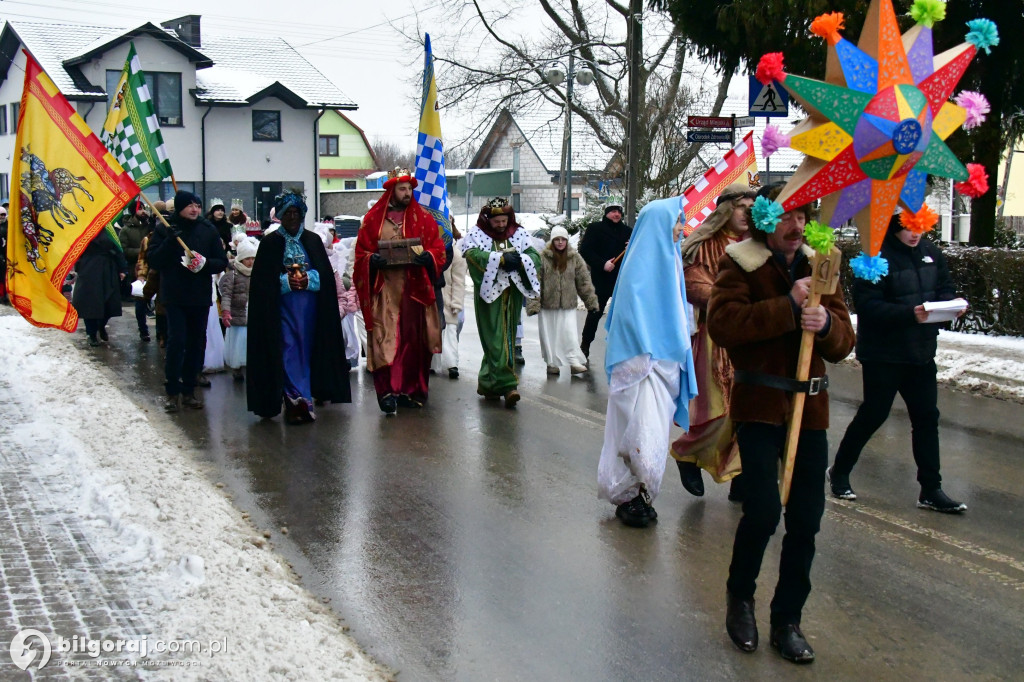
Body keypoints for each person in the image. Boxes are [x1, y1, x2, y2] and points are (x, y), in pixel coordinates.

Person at [707, 183, 854, 664]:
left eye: (803, 216)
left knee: (806, 520)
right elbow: (724, 325)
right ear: (767, 221)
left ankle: (787, 620)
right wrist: (788, 306)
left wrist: (826, 327)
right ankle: (740, 598)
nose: (795, 226)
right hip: (761, 406)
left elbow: (843, 339)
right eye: (786, 216)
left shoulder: (821, 264)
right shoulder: (739, 263)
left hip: (809, 412)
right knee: (764, 512)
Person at [828, 213, 967, 513]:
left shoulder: (931, 253)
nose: (915, 234)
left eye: (920, 228)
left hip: (921, 351)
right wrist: (909, 314)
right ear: (893, 226)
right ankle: (839, 472)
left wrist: (951, 305)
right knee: (874, 414)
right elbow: (867, 305)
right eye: (907, 229)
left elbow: (944, 286)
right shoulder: (874, 257)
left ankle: (931, 489)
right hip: (884, 354)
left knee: (927, 418)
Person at [597, 198, 698, 527]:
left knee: (653, 433)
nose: (681, 228)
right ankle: (629, 493)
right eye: (677, 221)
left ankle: (642, 494)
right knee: (636, 431)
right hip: (639, 366)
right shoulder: (639, 266)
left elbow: (680, 313)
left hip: (666, 365)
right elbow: (627, 317)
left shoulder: (672, 262)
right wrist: (646, 351)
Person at [671, 183, 755, 500]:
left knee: (747, 411)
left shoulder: (759, 245)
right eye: (740, 206)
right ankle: (686, 453)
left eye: (751, 207)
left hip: (750, 338)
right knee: (718, 410)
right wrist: (734, 303)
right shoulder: (704, 244)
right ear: (724, 210)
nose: (747, 213)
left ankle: (739, 475)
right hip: (713, 336)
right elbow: (694, 284)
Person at [247, 191, 351, 424]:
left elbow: (324, 274)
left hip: (311, 309)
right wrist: (285, 282)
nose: (293, 218)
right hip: (281, 309)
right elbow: (262, 282)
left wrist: (308, 279)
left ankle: (303, 397)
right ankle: (297, 400)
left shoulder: (313, 240)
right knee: (288, 348)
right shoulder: (270, 243)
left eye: (296, 213)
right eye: (288, 214)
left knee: (307, 350)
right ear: (281, 217)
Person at [353, 169, 446, 415]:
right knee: (385, 338)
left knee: (413, 340)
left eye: (410, 188)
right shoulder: (373, 219)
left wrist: (430, 257)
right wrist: (371, 261)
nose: (407, 193)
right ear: (392, 190)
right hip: (385, 290)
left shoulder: (423, 218)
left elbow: (438, 247)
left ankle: (410, 389)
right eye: (402, 189)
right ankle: (387, 392)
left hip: (414, 290)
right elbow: (361, 253)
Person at [146, 190, 228, 412]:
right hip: (174, 295)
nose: (195, 209)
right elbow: (153, 259)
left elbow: (221, 261)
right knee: (177, 341)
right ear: (180, 207)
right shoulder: (165, 228)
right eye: (190, 205)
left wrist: (205, 264)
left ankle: (189, 389)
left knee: (196, 342)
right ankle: (172, 390)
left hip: (199, 295)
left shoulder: (207, 229)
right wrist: (170, 242)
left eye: (198, 205)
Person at [463, 197, 541, 407]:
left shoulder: (519, 232)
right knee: (494, 339)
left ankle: (491, 383)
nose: (500, 225)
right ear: (489, 219)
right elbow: (470, 254)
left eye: (504, 220)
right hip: (490, 294)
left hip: (512, 293)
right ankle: (508, 385)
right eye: (496, 221)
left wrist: (522, 260)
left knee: (507, 336)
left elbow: (534, 255)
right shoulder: (477, 233)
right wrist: (499, 259)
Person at [527, 225, 599, 375]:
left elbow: (583, 281)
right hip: (548, 304)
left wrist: (590, 301)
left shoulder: (575, 258)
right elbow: (535, 282)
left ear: (567, 241)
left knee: (569, 333)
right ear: (552, 241)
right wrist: (534, 303)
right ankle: (551, 362)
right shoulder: (543, 258)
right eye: (557, 239)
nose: (560, 242)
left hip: (567, 303)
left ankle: (573, 361)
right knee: (549, 334)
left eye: (563, 239)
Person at [578, 202, 632, 361]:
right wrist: (602, 264)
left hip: (621, 281)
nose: (617, 214)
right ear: (607, 213)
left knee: (623, 316)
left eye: (619, 212)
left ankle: (622, 349)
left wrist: (632, 247)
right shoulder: (595, 228)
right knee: (595, 314)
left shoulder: (628, 232)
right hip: (601, 279)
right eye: (614, 211)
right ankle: (585, 345)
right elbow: (585, 250)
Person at [72, 229, 128, 347]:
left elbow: (118, 248)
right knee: (90, 303)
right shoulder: (83, 228)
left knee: (110, 300)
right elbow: (74, 248)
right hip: (88, 269)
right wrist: (77, 266)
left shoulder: (109, 229)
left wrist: (122, 268)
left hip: (108, 268)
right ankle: (91, 333)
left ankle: (101, 325)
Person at [431, 229, 467, 379]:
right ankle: (434, 364)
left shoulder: (455, 254)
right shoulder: (430, 250)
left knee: (450, 333)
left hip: (449, 301)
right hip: (434, 298)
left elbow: (459, 282)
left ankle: (452, 364)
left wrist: (457, 303)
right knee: (434, 332)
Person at [220, 237, 257, 381]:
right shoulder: (233, 276)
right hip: (237, 315)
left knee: (251, 343)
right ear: (241, 259)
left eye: (253, 258)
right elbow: (227, 295)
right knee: (238, 343)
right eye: (247, 258)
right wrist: (226, 311)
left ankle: (251, 366)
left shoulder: (257, 274)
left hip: (253, 314)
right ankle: (237, 368)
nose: (251, 262)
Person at [119, 199, 153, 341]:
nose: (143, 211)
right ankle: (143, 329)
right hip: (136, 268)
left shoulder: (150, 227)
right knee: (140, 300)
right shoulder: (127, 230)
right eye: (140, 208)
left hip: (153, 267)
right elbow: (124, 250)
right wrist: (141, 251)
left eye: (144, 208)